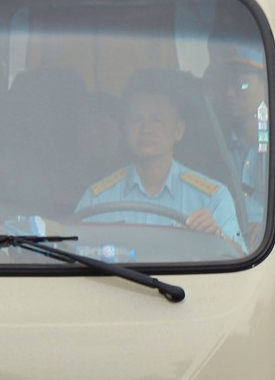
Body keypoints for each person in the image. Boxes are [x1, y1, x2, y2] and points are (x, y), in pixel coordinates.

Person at [76, 71, 243, 251]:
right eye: (136, 119)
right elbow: (72, 259)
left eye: (158, 120)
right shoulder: (97, 199)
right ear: (125, 128)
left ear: (179, 130)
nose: (146, 129)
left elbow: (241, 260)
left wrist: (217, 236)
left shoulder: (213, 198)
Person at [213, 40, 269, 232]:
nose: (230, 93)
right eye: (227, 85)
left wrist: (265, 227)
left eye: (242, 85)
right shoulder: (216, 144)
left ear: (265, 88)